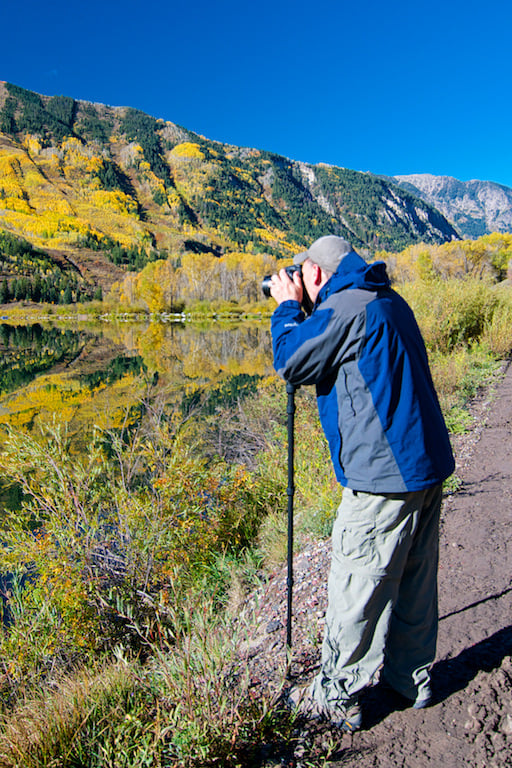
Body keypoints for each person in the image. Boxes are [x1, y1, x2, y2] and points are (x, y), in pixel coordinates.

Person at [269, 235, 455, 732]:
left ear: (314, 273)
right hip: (424, 465)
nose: (296, 283)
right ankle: (408, 680)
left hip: (382, 476)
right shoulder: (389, 300)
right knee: (415, 582)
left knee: (356, 585)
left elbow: (292, 361)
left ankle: (334, 697)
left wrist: (287, 309)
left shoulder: (347, 307)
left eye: (299, 275)